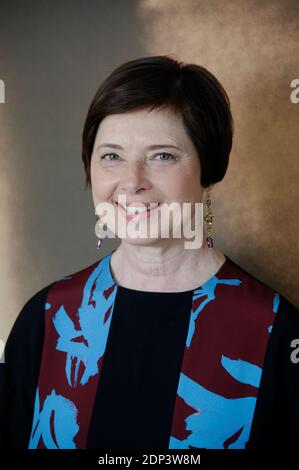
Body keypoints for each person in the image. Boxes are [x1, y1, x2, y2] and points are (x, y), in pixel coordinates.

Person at [0, 55, 298, 450]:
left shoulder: (276, 329)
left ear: (209, 171)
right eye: (111, 156)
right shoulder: (48, 318)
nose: (132, 182)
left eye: (162, 156)